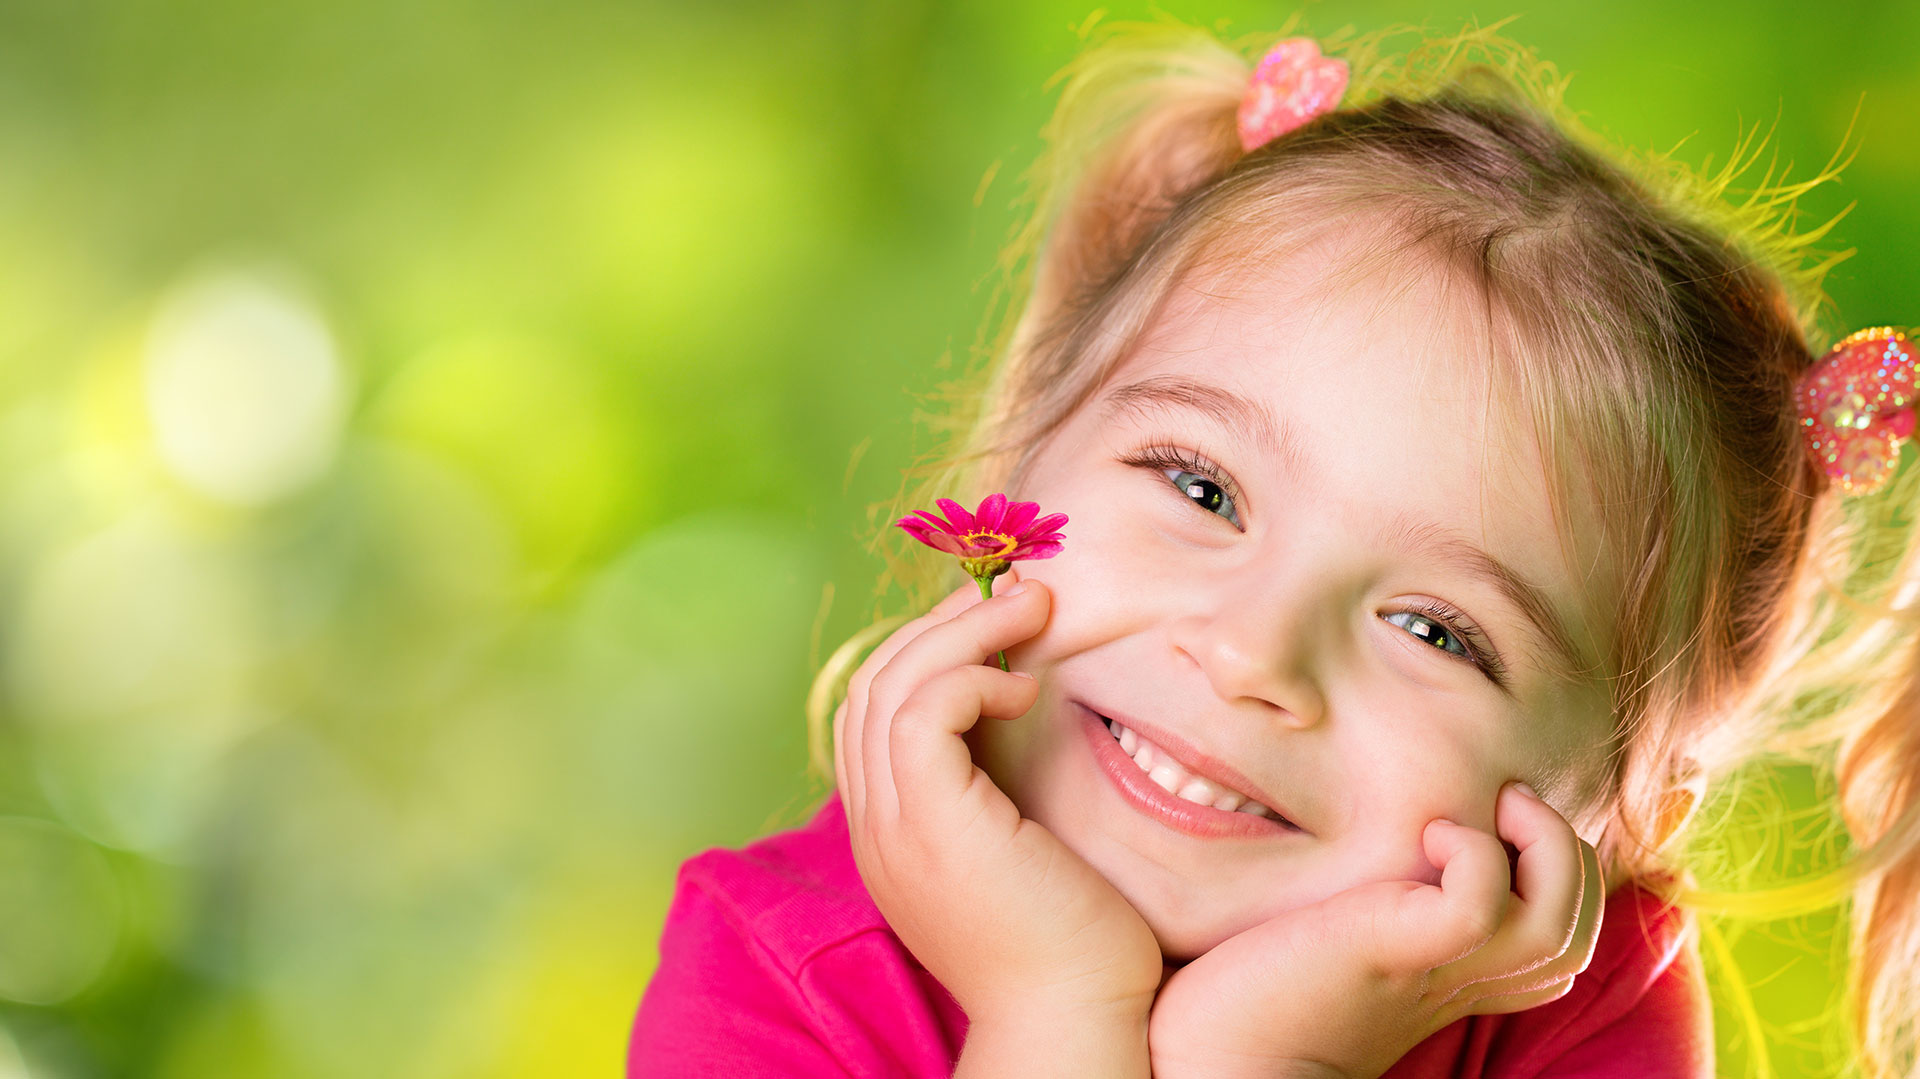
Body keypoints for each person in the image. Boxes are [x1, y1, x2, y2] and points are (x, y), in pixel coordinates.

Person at [630, 20, 1920, 1078]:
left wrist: (1265, 1062)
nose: (1252, 653)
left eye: (1437, 632)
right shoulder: (770, 977)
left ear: (1621, 820)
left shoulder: (1574, 1006)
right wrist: (1051, 1006)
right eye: (1199, 488)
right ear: (1019, 461)